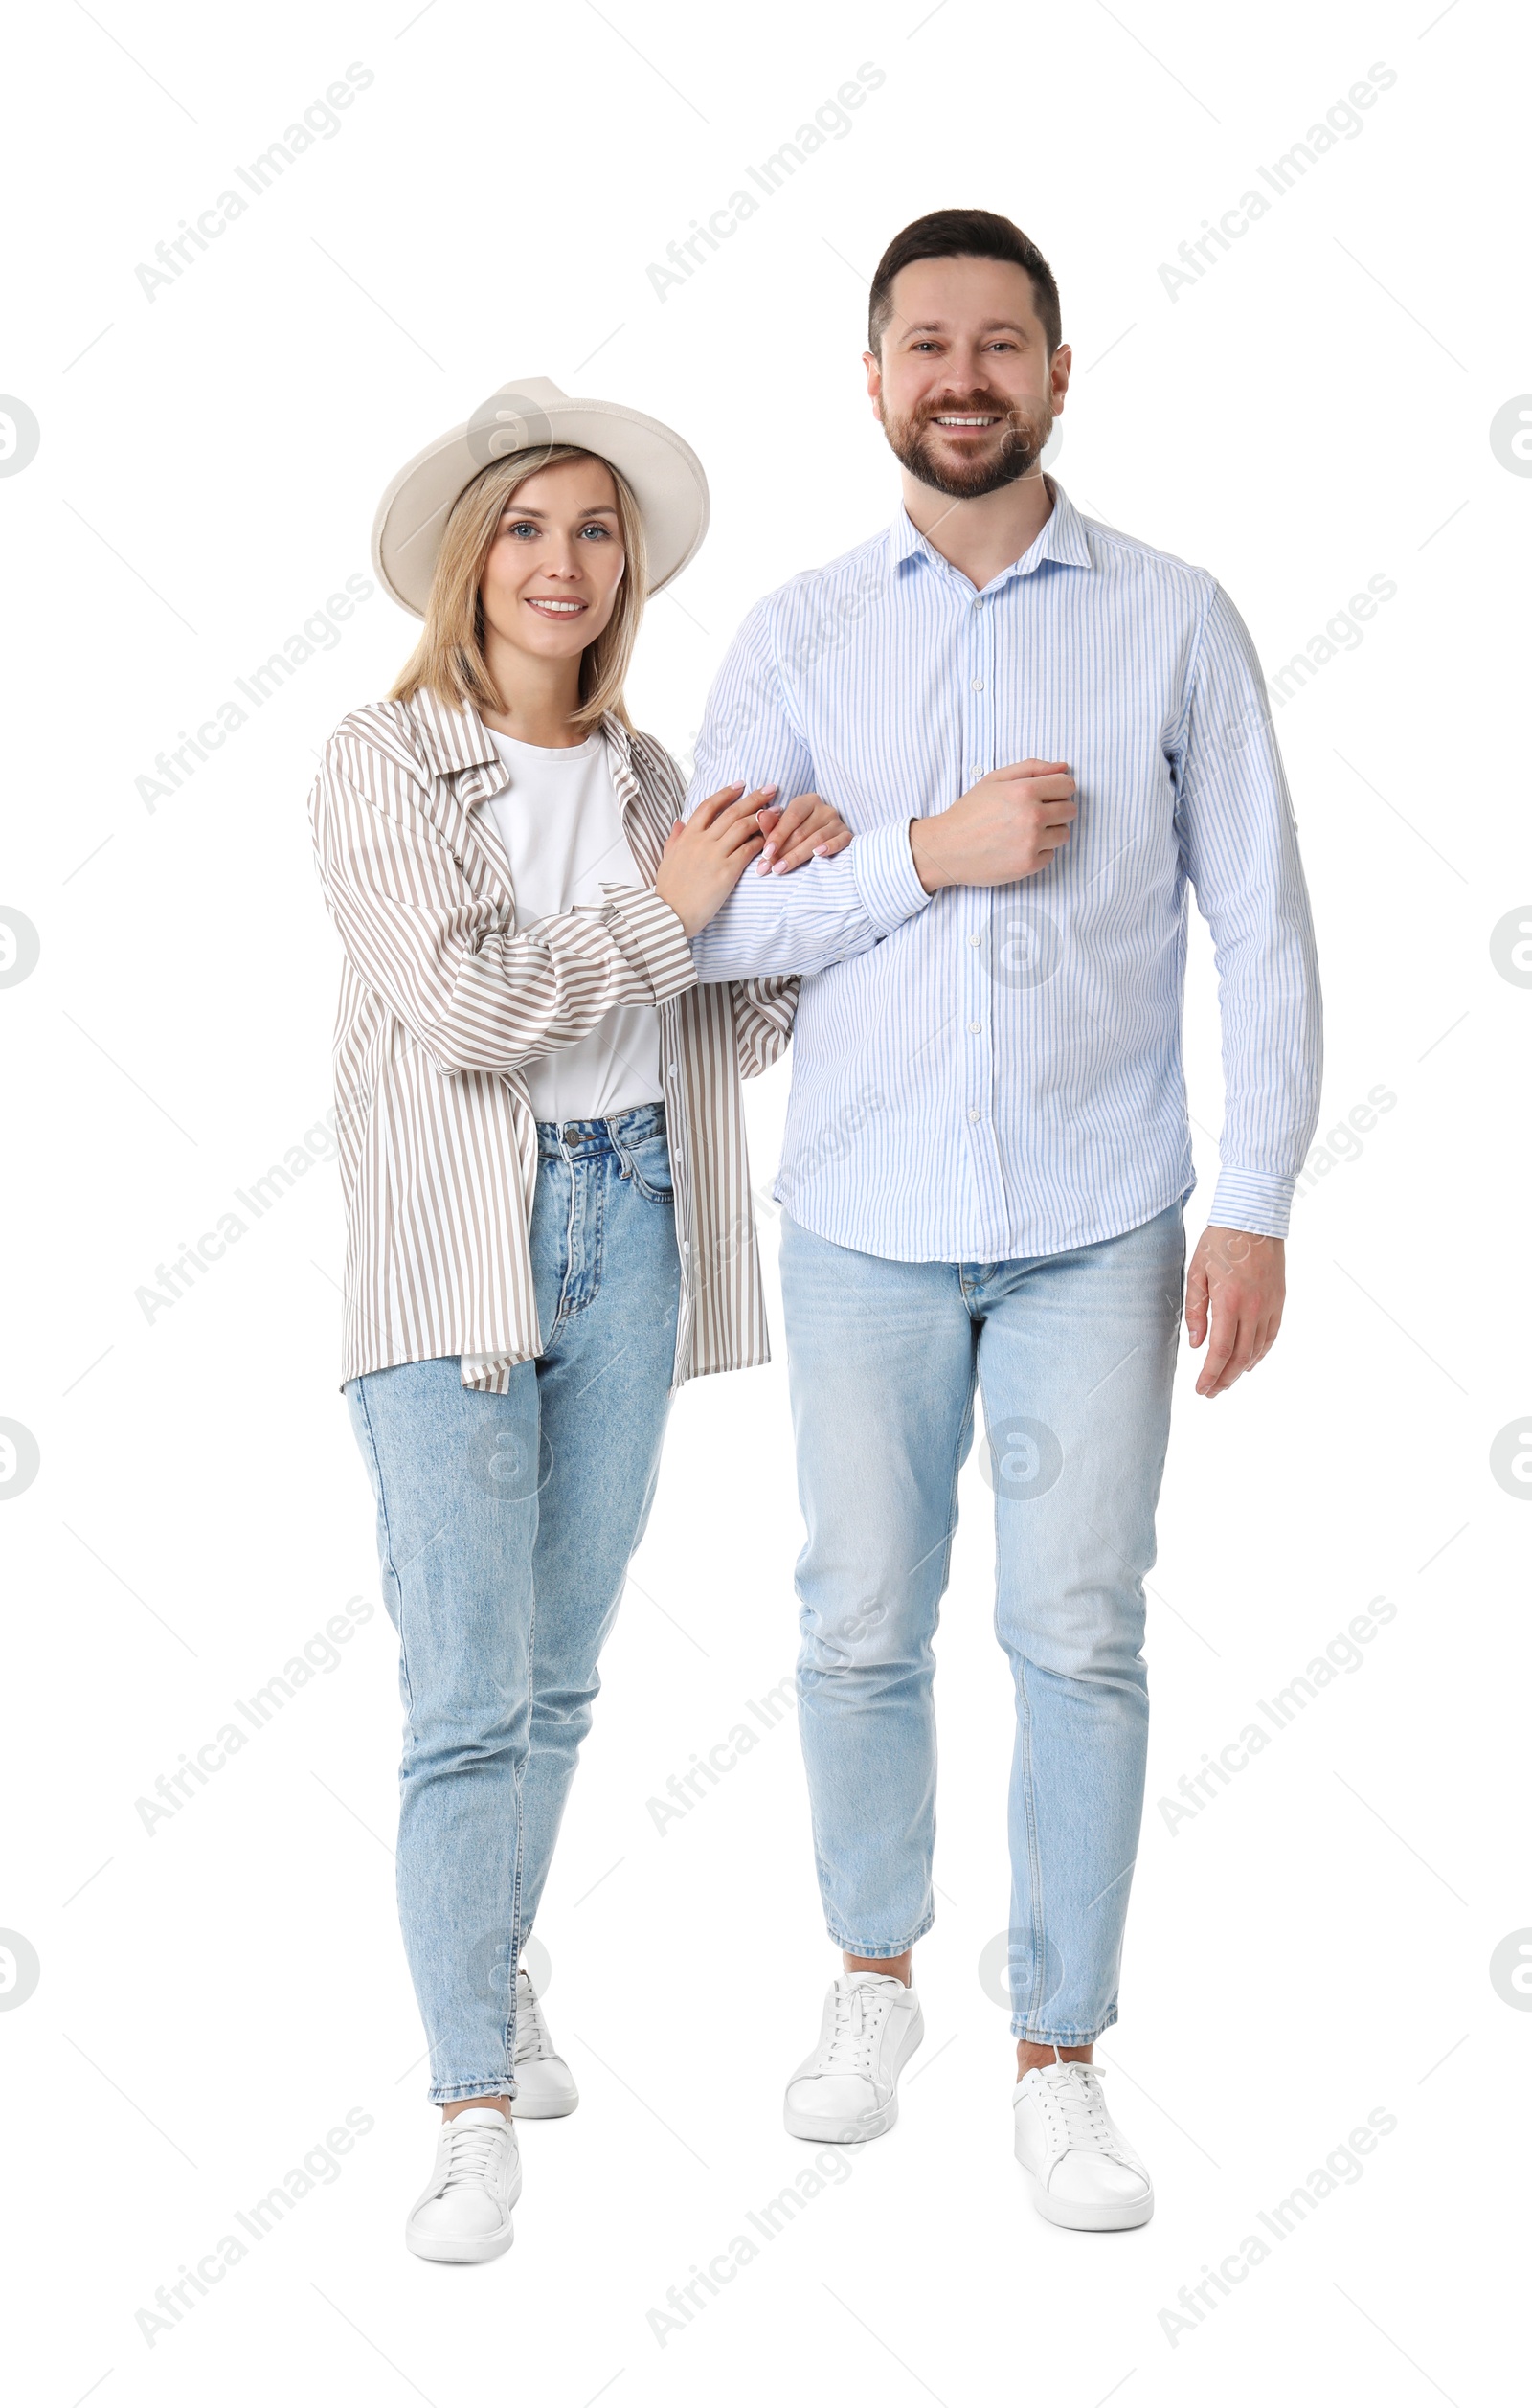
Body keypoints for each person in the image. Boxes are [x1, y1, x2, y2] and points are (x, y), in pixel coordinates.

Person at [683, 212, 1322, 2231]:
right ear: (870, 381)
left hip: (1098, 1219)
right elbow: (702, 929)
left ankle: (1058, 2049)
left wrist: (1253, 1201)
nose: (961, 376)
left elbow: (1262, 925)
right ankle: (869, 1979)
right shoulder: (794, 632)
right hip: (863, 1216)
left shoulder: (1171, 617)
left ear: (1055, 372)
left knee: (1079, 1632)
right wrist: (919, 856)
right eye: (923, 344)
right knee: (854, 1621)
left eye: (998, 343)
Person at [307, 378, 849, 2263]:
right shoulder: (378, 763)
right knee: (464, 1695)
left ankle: (491, 1964)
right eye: (528, 528)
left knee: (555, 1677)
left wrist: (788, 894)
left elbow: (702, 1028)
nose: (562, 561)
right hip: (458, 1250)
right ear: (470, 563)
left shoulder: (645, 778)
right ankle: (467, 2100)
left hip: (634, 1221)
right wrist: (672, 897)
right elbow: (464, 1012)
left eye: (593, 531)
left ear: (626, 573)